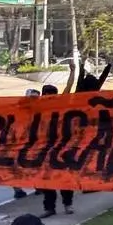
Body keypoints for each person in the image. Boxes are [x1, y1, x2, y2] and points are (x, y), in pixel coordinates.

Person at [38, 83, 74, 217]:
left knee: (64, 177)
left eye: (51, 95)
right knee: (47, 180)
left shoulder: (61, 107)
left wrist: (72, 72)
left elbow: (68, 90)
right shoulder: (39, 110)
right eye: (46, 95)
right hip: (45, 148)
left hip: (62, 147)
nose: (48, 98)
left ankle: (67, 204)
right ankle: (49, 208)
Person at [13, 89, 42, 199]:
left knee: (33, 165)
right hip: (18, 141)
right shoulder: (19, 110)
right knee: (15, 167)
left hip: (34, 141)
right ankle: (18, 190)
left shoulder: (40, 110)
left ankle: (37, 186)